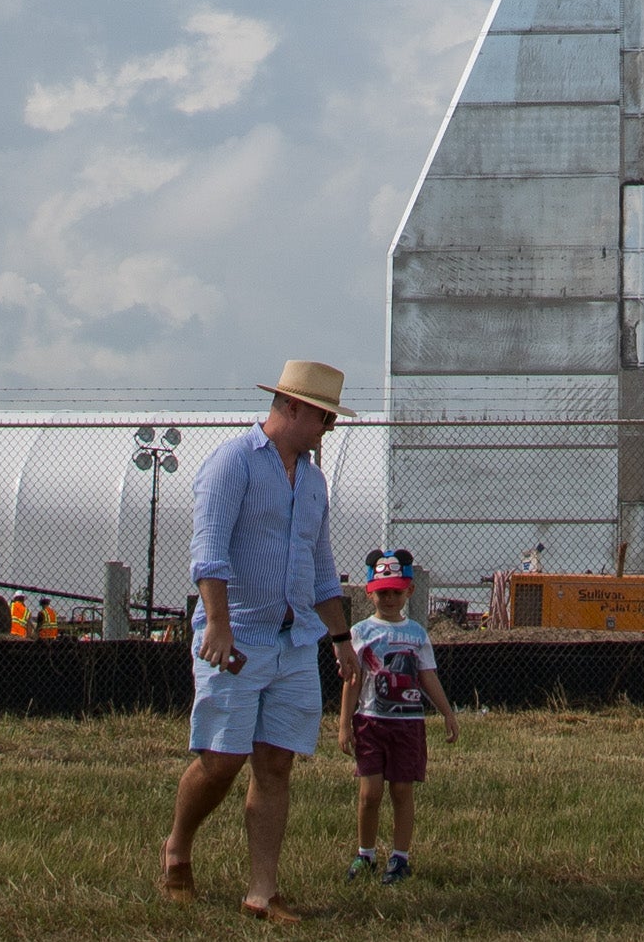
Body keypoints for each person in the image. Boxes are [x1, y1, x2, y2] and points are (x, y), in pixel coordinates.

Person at [160, 360, 344, 920]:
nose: (328, 429)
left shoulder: (313, 483)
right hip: (236, 639)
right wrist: (217, 623)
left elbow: (322, 570)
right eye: (322, 416)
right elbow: (208, 550)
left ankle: (262, 893)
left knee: (276, 764)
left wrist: (341, 640)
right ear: (291, 407)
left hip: (294, 646)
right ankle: (177, 849)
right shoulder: (232, 463)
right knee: (221, 760)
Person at [339, 550, 454, 883]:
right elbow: (353, 679)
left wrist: (447, 713)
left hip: (407, 726)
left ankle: (400, 859)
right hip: (371, 722)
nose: (389, 598)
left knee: (402, 792)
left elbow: (428, 676)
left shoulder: (417, 634)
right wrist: (345, 723)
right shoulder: (359, 632)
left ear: (409, 592)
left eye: (396, 591)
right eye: (383, 591)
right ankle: (366, 855)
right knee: (369, 793)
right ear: (370, 591)